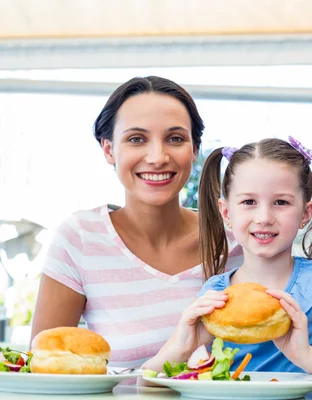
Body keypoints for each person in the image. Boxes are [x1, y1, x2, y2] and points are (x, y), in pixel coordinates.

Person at [31, 76, 242, 368]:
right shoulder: (81, 237)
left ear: (194, 149)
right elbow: (44, 366)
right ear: (108, 149)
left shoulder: (236, 239)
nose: (157, 157)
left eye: (175, 138)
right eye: (136, 139)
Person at [143, 137, 312, 375]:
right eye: (249, 201)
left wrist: (306, 356)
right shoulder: (216, 295)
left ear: (306, 213)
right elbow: (146, 381)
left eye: (281, 202)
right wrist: (183, 346)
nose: (264, 217)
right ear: (227, 212)